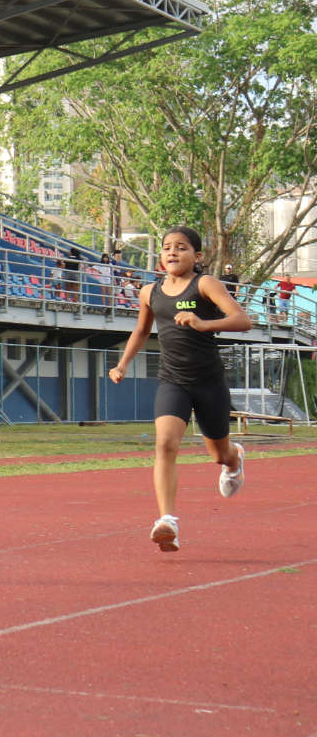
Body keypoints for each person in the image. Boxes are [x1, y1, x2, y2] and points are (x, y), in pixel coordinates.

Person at [108, 226, 251, 553]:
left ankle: (234, 459)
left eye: (182, 248)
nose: (173, 253)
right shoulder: (149, 292)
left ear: (197, 256)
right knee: (165, 444)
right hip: (172, 379)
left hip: (209, 382)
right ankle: (167, 521)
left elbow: (243, 320)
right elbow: (142, 331)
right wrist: (123, 364)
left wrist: (204, 323)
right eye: (167, 247)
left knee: (218, 454)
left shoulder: (205, 284)